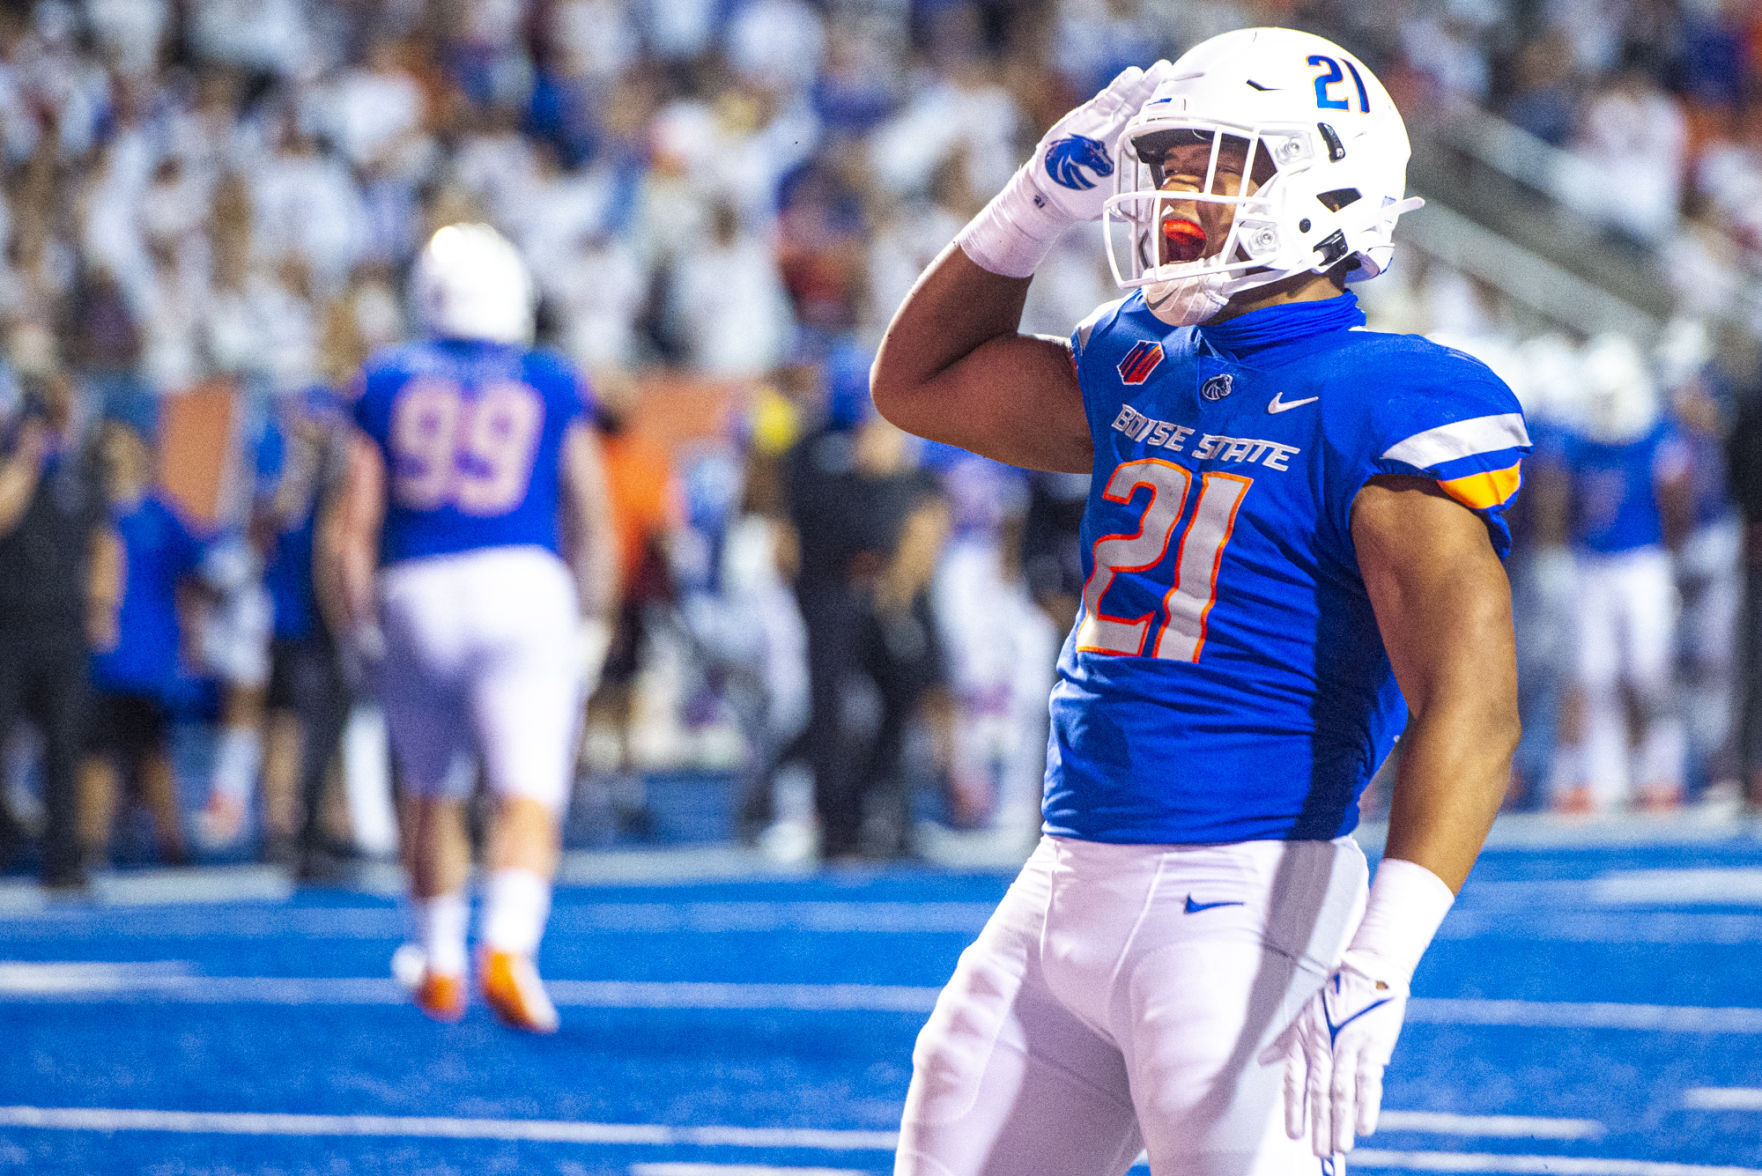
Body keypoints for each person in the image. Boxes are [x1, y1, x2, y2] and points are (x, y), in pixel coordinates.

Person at [870, 28, 1526, 1175]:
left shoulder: (1386, 396)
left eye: (1217, 163)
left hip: (1243, 897)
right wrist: (1029, 206)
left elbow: (1472, 703)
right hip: (1063, 879)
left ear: (1324, 178)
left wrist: (1381, 962)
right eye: (1171, 162)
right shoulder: (1142, 356)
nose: (1179, 191)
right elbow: (915, 385)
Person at [320, 223, 618, 1032]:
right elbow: (591, 512)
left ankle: (441, 959)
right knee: (528, 790)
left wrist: (356, 628)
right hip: (523, 582)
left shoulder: (385, 378)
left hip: (416, 587)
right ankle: (509, 949)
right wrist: (596, 622)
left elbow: (350, 525)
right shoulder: (551, 379)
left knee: (430, 787)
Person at [1538, 334, 1692, 814]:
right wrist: (1557, 553)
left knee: (1650, 670)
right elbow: (1557, 495)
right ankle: (1606, 776)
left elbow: (1676, 501)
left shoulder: (1657, 433)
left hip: (1643, 560)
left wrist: (1673, 557)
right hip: (1593, 562)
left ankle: (1661, 769)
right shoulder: (1577, 438)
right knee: (1595, 672)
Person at [0, 370, 108, 889]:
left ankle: (63, 859)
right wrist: (24, 457)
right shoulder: (12, 465)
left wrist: (103, 608)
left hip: (64, 627)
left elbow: (103, 542)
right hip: (9, 625)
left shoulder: (80, 473)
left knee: (66, 747)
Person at [80, 414, 203, 869]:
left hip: (148, 652)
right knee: (96, 749)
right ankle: (91, 843)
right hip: (97, 653)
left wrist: (191, 642)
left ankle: (172, 841)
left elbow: (195, 570)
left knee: (151, 748)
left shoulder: (158, 513)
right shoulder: (87, 508)